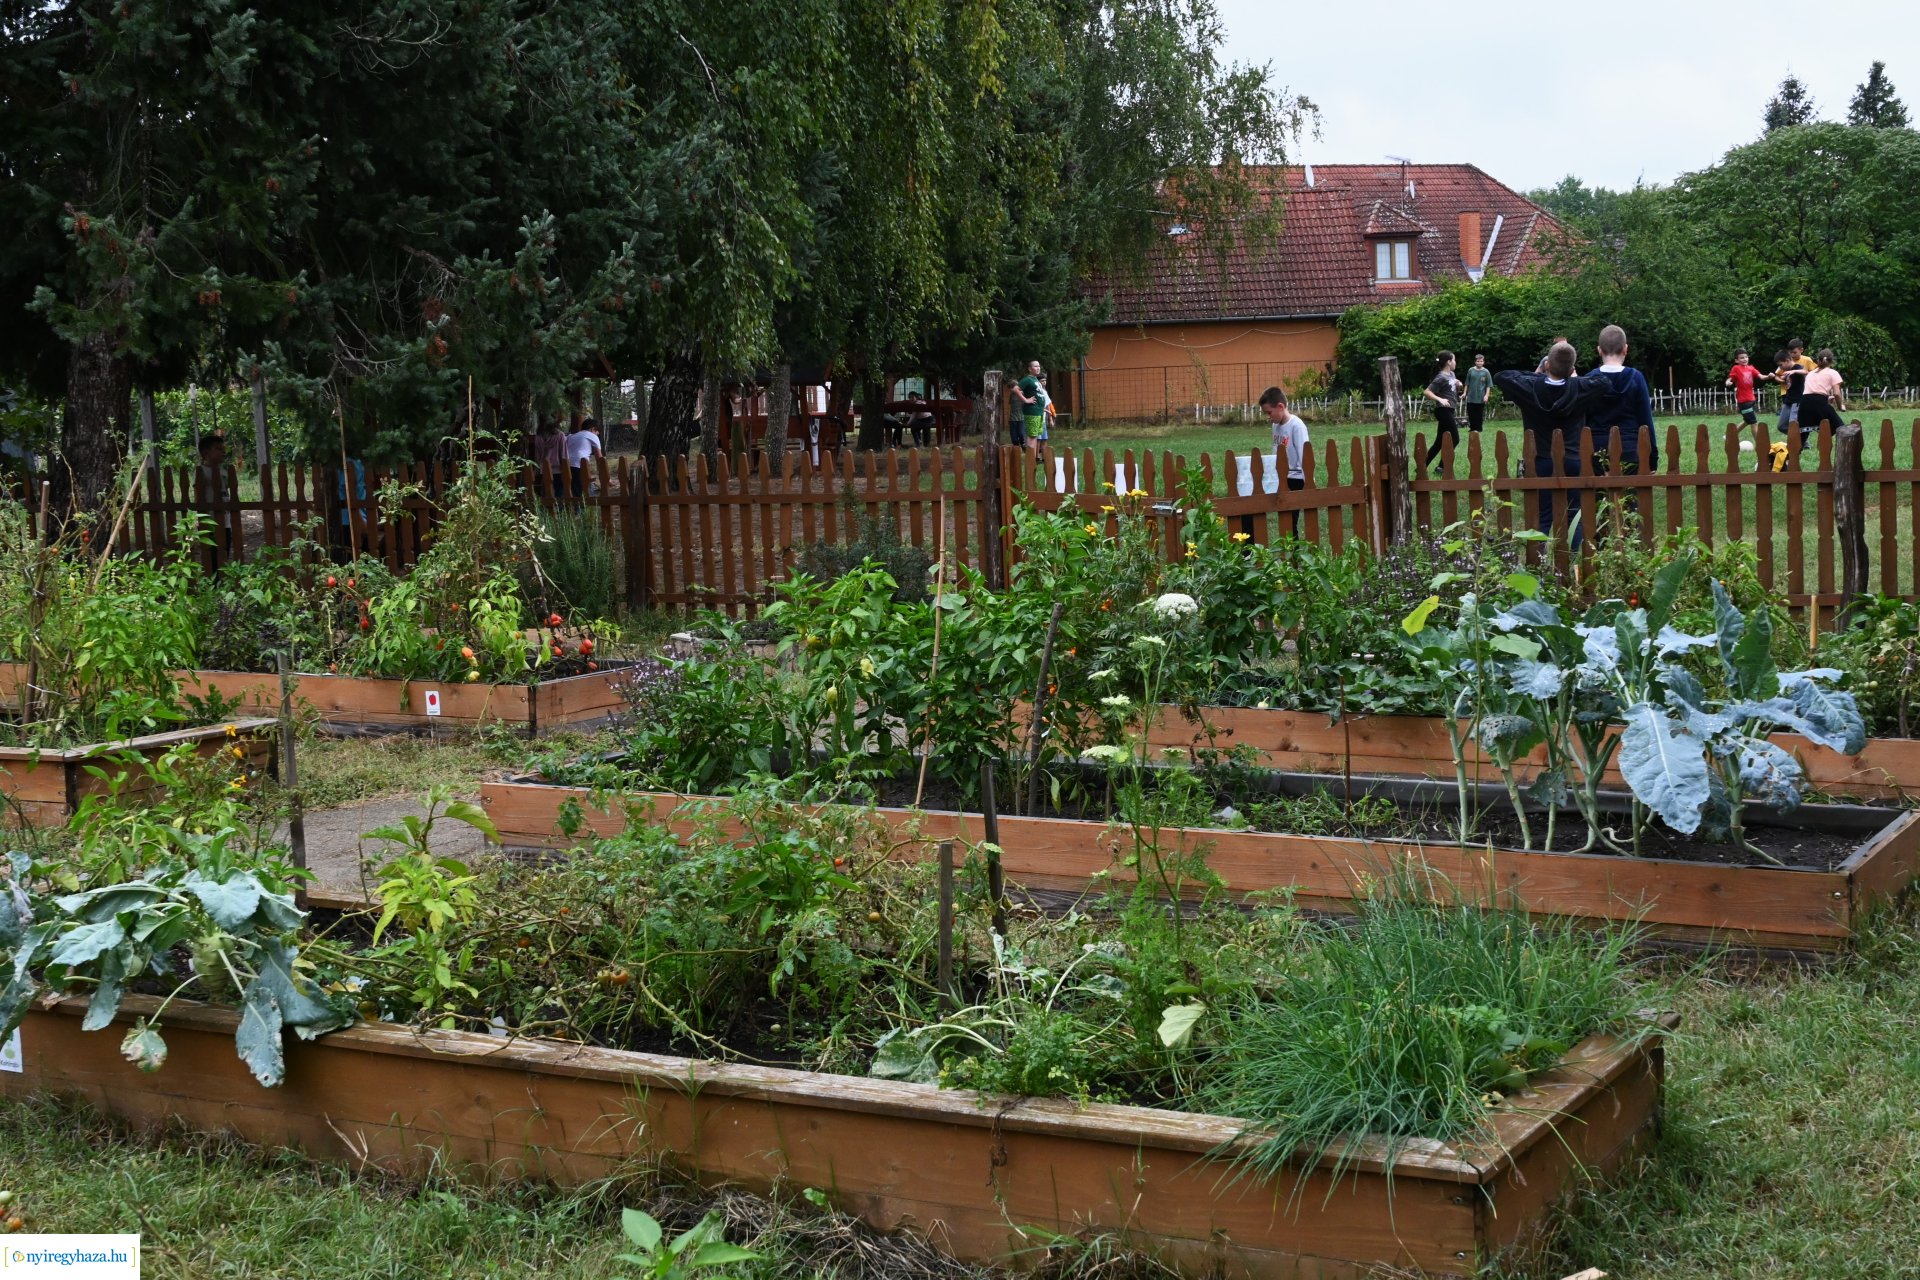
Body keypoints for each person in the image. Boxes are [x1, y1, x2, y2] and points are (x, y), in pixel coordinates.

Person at [1494, 342, 1626, 544]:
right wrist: (1573, 378)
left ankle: (1542, 566)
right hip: (1573, 459)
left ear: (1547, 365)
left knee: (1543, 517)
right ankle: (1574, 564)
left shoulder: (1531, 387)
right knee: (1575, 517)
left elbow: (1502, 376)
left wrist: (1538, 375)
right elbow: (1603, 382)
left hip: (1541, 460)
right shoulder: (1580, 388)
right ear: (1572, 368)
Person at [1585, 324, 1658, 472]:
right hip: (1631, 450)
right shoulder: (1636, 378)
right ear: (1625, 349)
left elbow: (1583, 420)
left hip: (1597, 451)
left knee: (1599, 495)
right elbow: (1646, 419)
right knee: (1630, 495)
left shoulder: (1589, 380)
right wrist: (1652, 458)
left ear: (1599, 350)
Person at [1260, 385, 1309, 537]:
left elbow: (1304, 455)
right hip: (1279, 477)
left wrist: (1308, 483)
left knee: (1289, 520)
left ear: (1280, 406)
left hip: (1295, 479)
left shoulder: (1296, 426)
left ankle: (1293, 556)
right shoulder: (1276, 426)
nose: (1268, 417)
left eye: (1269, 412)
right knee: (1252, 503)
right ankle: (1248, 551)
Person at [1421, 351, 1461, 474]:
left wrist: (1458, 385)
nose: (1455, 362)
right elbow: (1427, 392)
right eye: (1454, 360)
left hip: (1449, 410)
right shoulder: (1440, 377)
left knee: (1439, 443)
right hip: (1443, 411)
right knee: (1455, 439)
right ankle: (1441, 468)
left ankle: (1421, 467)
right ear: (1449, 362)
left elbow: (1451, 388)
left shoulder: (1452, 374)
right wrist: (1440, 399)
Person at [1799, 349, 1846, 435]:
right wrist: (1840, 406)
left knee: (1801, 434)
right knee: (1840, 428)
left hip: (1804, 404)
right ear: (1831, 361)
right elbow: (1836, 394)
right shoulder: (1833, 373)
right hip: (1820, 404)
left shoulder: (1810, 373)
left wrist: (1826, 398)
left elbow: (1812, 392)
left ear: (1818, 360)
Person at [1724, 349, 1772, 428]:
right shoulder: (1736, 368)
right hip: (1744, 401)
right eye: (1742, 358)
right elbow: (1729, 378)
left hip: (1752, 399)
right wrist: (1727, 383)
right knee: (1754, 423)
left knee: (1747, 420)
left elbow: (1762, 377)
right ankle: (1758, 441)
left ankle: (1729, 436)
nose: (1745, 359)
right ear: (1736, 360)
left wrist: (1769, 376)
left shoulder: (1751, 368)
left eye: (1746, 357)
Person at [564, 416, 604, 501]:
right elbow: (599, 457)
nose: (597, 434)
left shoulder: (571, 436)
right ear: (593, 429)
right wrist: (603, 474)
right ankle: (583, 511)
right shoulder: (592, 436)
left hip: (566, 466)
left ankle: (575, 511)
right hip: (579, 465)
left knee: (573, 491)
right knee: (586, 492)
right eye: (597, 432)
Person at [532, 418, 567, 489]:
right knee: (559, 495)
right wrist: (565, 470)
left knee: (546, 494)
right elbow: (563, 455)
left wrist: (536, 470)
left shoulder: (538, 436)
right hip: (558, 470)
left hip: (544, 470)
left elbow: (537, 457)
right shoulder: (560, 436)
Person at [1463, 353, 1493, 434]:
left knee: (1479, 414)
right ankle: (1472, 428)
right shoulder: (1471, 370)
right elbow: (1467, 383)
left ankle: (1479, 429)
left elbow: (1488, 385)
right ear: (1475, 362)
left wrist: (1486, 395)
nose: (1479, 363)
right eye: (1478, 361)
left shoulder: (1486, 372)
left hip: (1481, 397)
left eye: (1481, 361)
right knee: (1471, 413)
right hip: (1471, 396)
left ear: (1483, 362)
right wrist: (1464, 393)